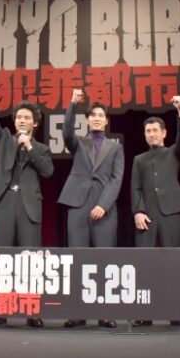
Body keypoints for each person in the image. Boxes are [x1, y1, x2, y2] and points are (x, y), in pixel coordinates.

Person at [0, 72, 54, 328]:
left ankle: (32, 310)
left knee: (30, 257)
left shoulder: (41, 148)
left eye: (27, 118)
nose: (22, 120)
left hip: (29, 205)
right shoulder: (3, 140)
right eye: (19, 117)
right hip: (4, 201)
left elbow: (48, 171)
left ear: (35, 123)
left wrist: (29, 147)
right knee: (0, 256)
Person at [58, 89, 124, 329]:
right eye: (93, 115)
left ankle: (104, 313)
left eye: (100, 115)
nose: (97, 118)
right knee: (78, 258)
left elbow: (116, 179)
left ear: (106, 121)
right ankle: (77, 312)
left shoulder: (115, 148)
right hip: (78, 203)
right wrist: (72, 104)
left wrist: (103, 205)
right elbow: (66, 132)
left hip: (104, 207)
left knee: (104, 259)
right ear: (87, 120)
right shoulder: (78, 143)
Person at [131, 95, 180, 327]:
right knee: (144, 264)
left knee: (173, 264)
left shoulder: (173, 152)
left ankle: (176, 314)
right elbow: (135, 188)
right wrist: (138, 211)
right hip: (147, 216)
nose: (152, 134)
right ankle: (144, 314)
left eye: (156, 130)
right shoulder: (139, 159)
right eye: (148, 131)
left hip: (172, 213)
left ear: (164, 133)